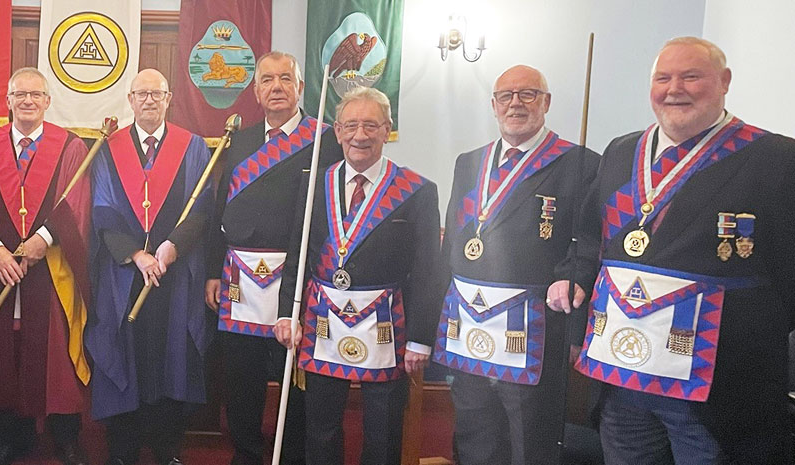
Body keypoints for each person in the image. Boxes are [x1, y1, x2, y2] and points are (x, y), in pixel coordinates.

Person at [556, 36, 795, 464]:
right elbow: (590, 238)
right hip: (623, 377)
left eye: (691, 76)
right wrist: (574, 279)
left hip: (714, 386)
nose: (674, 88)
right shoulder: (621, 150)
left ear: (724, 82)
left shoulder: (776, 158)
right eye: (662, 78)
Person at [431, 65, 599, 465]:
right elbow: (454, 243)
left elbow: (591, 243)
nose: (516, 103)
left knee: (530, 442)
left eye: (528, 94)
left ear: (546, 103)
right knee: (474, 435)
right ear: (493, 104)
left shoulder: (579, 164)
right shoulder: (469, 162)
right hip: (469, 325)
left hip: (532, 330)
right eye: (506, 95)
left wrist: (573, 297)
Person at [273, 86, 439, 465]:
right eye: (351, 125)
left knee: (382, 429)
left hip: (386, 326)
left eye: (370, 125)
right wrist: (287, 312)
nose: (359, 135)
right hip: (323, 321)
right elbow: (299, 251)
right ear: (337, 131)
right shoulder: (316, 180)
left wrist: (421, 339)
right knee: (322, 425)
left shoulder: (417, 191)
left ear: (387, 129)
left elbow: (430, 269)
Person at [203, 51, 341, 465]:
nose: (276, 87)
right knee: (241, 378)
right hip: (240, 279)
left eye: (286, 79)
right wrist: (212, 271)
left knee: (294, 380)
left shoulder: (326, 140)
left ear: (301, 88)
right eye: (267, 80)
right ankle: (245, 454)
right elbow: (218, 210)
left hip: (298, 277)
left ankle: (292, 455)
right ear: (256, 90)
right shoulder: (240, 140)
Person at [0, 67, 91, 465]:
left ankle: (66, 438)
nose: (28, 100)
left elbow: (76, 204)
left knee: (58, 355)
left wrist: (42, 242)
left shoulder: (70, 148)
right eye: (19, 94)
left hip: (51, 272)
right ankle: (5, 439)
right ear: (8, 100)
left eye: (36, 94)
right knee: (2, 350)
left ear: (48, 101)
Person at [86, 68, 213, 465]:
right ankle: (122, 450)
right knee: (124, 353)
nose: (149, 101)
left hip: (174, 275)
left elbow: (202, 206)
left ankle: (166, 449)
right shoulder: (109, 148)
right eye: (141, 94)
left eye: (157, 94)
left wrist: (172, 247)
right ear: (130, 99)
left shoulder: (192, 147)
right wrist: (135, 255)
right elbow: (102, 209)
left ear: (169, 98)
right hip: (123, 275)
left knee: (170, 357)